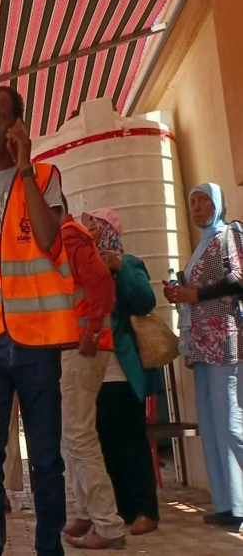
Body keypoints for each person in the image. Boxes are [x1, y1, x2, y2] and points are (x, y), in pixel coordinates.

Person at [0, 85, 76, 556]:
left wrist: (25, 167)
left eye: (0, 118)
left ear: (19, 125)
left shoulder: (44, 176)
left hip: (36, 340)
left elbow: (49, 239)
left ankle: (49, 549)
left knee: (46, 459)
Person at [163, 183, 243, 532]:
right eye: (192, 201)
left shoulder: (229, 235)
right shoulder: (200, 247)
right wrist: (180, 294)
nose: (196, 207)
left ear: (218, 204)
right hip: (201, 341)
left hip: (224, 339)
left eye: (204, 201)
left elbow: (238, 277)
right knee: (210, 424)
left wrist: (196, 293)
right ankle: (228, 503)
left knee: (230, 422)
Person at [82, 208, 161, 540]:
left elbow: (145, 301)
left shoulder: (129, 264)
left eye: (96, 227)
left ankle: (146, 510)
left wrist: (119, 268)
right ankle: (125, 509)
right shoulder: (88, 268)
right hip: (96, 372)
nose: (91, 232)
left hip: (123, 371)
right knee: (107, 445)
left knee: (131, 442)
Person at [56, 200, 127, 548]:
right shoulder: (69, 237)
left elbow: (101, 283)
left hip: (83, 347)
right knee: (72, 436)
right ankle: (86, 512)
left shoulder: (69, 236)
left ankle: (107, 525)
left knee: (79, 436)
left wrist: (93, 330)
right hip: (81, 346)